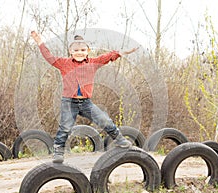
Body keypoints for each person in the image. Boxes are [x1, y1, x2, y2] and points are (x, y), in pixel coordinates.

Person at [31, 31, 138, 163]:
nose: (79, 52)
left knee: (104, 120)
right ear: (71, 51)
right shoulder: (64, 63)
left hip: (86, 103)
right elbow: (49, 57)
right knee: (65, 127)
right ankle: (58, 151)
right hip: (69, 102)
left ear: (87, 51)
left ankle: (120, 140)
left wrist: (121, 53)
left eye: (82, 50)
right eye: (76, 50)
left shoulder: (93, 63)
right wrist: (40, 42)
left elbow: (107, 57)